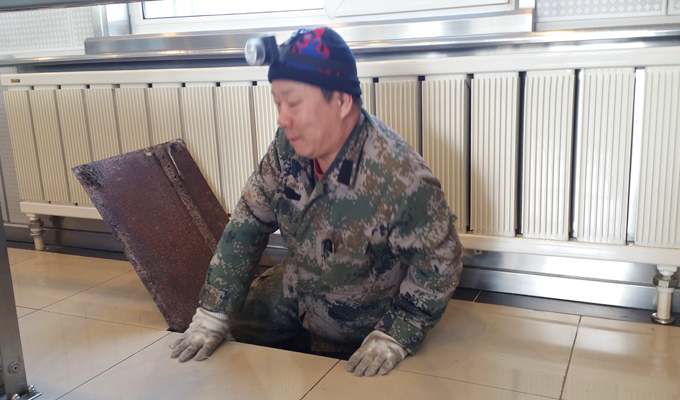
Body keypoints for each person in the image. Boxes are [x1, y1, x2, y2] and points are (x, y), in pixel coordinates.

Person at [170, 26, 463, 377]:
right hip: (296, 286)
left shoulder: (400, 176)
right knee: (228, 334)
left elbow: (440, 264)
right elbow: (248, 222)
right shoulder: (287, 145)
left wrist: (397, 333)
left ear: (341, 101)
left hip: (362, 310)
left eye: (293, 103)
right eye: (278, 104)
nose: (282, 118)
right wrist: (213, 313)